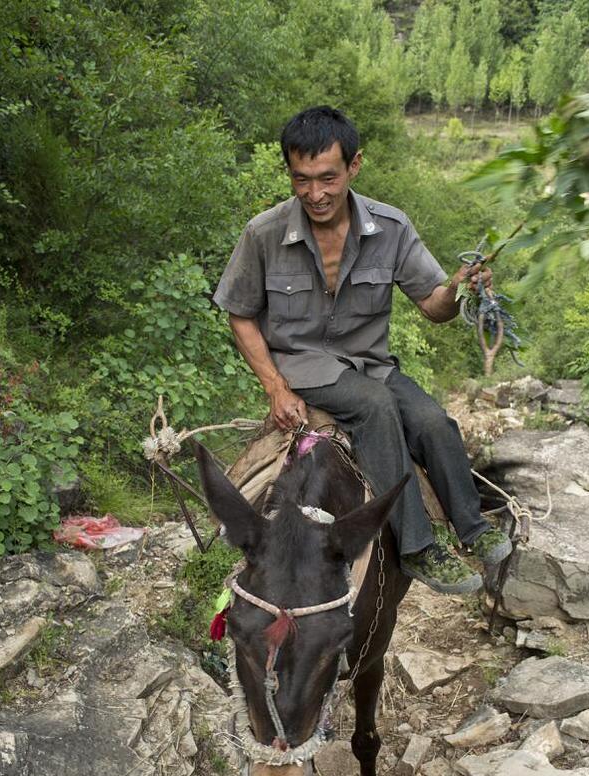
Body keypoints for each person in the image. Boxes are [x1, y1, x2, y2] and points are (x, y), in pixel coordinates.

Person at [213, 106, 511, 594]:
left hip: (372, 364)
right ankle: (417, 546)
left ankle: (473, 529)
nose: (315, 194)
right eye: (301, 180)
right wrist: (274, 386)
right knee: (374, 407)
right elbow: (240, 312)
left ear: (354, 165)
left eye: (328, 178)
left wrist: (460, 288)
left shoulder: (390, 228)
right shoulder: (263, 234)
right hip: (304, 365)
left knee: (435, 422)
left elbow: (434, 307)